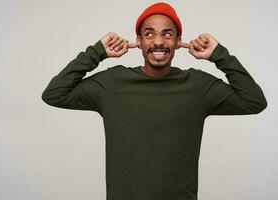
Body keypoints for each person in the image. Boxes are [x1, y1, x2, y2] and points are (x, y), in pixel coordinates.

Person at [42, 2, 267, 200]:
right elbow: (54, 93)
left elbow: (254, 101)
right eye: (149, 34)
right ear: (138, 41)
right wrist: (97, 52)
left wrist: (219, 54)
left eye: (167, 34)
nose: (158, 41)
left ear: (179, 42)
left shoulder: (198, 86)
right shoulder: (113, 82)